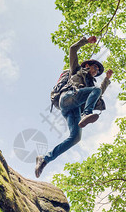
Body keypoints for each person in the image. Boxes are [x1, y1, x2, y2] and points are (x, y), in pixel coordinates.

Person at [35, 36, 113, 178]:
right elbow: (72, 49)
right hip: (67, 98)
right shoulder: (76, 69)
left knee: (76, 137)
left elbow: (98, 94)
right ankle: (86, 114)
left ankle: (44, 159)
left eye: (98, 71)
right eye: (94, 67)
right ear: (87, 66)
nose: (96, 71)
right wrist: (86, 42)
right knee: (96, 91)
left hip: (73, 108)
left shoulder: (90, 85)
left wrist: (106, 80)